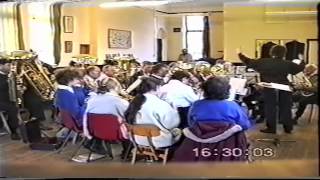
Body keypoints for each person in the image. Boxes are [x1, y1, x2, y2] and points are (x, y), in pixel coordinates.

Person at [237, 45, 305, 134]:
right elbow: (299, 69)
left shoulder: (263, 62)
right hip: (284, 87)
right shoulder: (287, 63)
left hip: (269, 87)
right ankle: (288, 128)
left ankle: (271, 128)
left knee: (270, 108)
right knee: (285, 107)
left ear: (271, 52)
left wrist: (240, 54)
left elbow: (248, 61)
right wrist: (302, 60)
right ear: (284, 53)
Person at [124, 77, 181, 148]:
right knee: (181, 132)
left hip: (137, 138)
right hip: (158, 141)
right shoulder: (160, 103)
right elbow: (171, 125)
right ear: (157, 87)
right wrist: (175, 111)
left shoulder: (134, 102)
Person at [83, 78, 130, 158]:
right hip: (116, 133)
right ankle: (126, 153)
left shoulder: (91, 100)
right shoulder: (120, 102)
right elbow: (129, 116)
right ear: (116, 87)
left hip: (96, 132)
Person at [0, 58, 21, 140]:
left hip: (8, 100)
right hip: (1, 101)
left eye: (11, 65)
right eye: (8, 65)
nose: (10, 67)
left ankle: (24, 125)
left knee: (15, 105)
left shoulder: (10, 76)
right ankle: (14, 131)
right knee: (12, 108)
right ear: (0, 66)